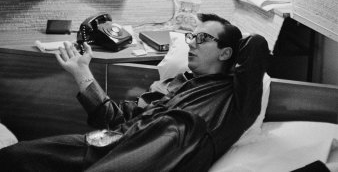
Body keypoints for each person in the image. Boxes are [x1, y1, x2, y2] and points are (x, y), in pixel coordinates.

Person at [0, 13, 270, 172]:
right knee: (14, 157)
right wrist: (81, 71)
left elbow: (256, 44)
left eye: (202, 39)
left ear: (225, 52)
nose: (191, 44)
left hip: (160, 150)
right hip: (111, 140)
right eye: (190, 37)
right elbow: (114, 118)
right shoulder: (171, 85)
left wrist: (233, 41)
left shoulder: (235, 100)